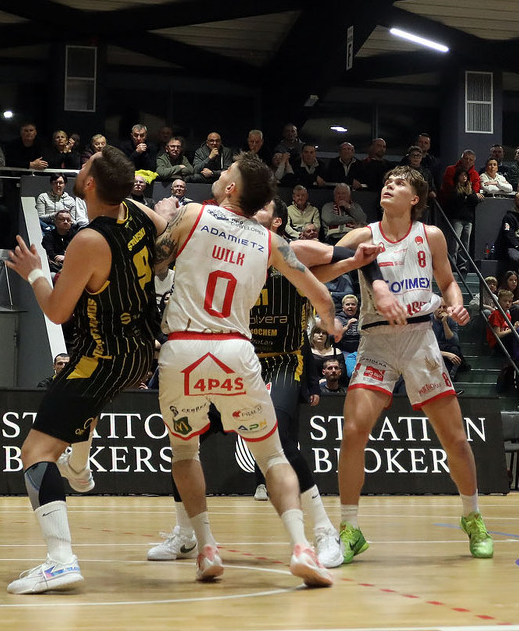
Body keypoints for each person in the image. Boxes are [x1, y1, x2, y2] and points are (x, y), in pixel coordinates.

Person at [146, 196, 374, 573]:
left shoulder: (286, 248)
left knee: (280, 439)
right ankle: (185, 533)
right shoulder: (225, 244)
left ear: (278, 220)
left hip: (281, 360)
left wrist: (354, 255)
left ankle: (324, 532)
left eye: (264, 205)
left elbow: (328, 264)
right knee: (186, 443)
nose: (253, 207)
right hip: (235, 356)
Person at [0, 148, 162, 594]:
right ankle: (79, 466)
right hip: (139, 350)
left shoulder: (88, 241)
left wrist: (35, 273)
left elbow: (57, 311)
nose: (81, 164)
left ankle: (60, 560)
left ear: (90, 183)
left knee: (35, 451)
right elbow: (166, 242)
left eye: (87, 162)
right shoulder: (138, 212)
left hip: (104, 356)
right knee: (77, 400)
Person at [331, 166, 494, 563]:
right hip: (376, 339)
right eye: (386, 181)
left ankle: (473, 517)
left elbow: (447, 281)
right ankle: (350, 528)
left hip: (420, 338)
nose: (389, 185)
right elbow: (324, 265)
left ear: (416, 198)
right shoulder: (362, 235)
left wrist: (456, 304)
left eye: (399, 183)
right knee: (352, 432)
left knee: (455, 439)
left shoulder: (431, 235)